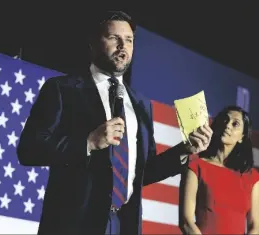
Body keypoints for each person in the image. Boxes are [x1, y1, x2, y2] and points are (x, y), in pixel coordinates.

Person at [17, 10, 213, 235]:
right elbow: (29, 150)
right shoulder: (62, 89)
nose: (123, 46)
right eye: (114, 38)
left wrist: (184, 150)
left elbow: (144, 172)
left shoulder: (140, 103)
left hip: (122, 224)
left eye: (129, 40)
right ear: (93, 43)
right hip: (74, 224)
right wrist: (88, 143)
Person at [180, 106, 259, 235]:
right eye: (225, 120)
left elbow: (254, 227)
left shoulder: (252, 178)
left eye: (235, 124)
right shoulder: (196, 166)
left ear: (242, 137)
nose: (228, 125)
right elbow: (186, 221)